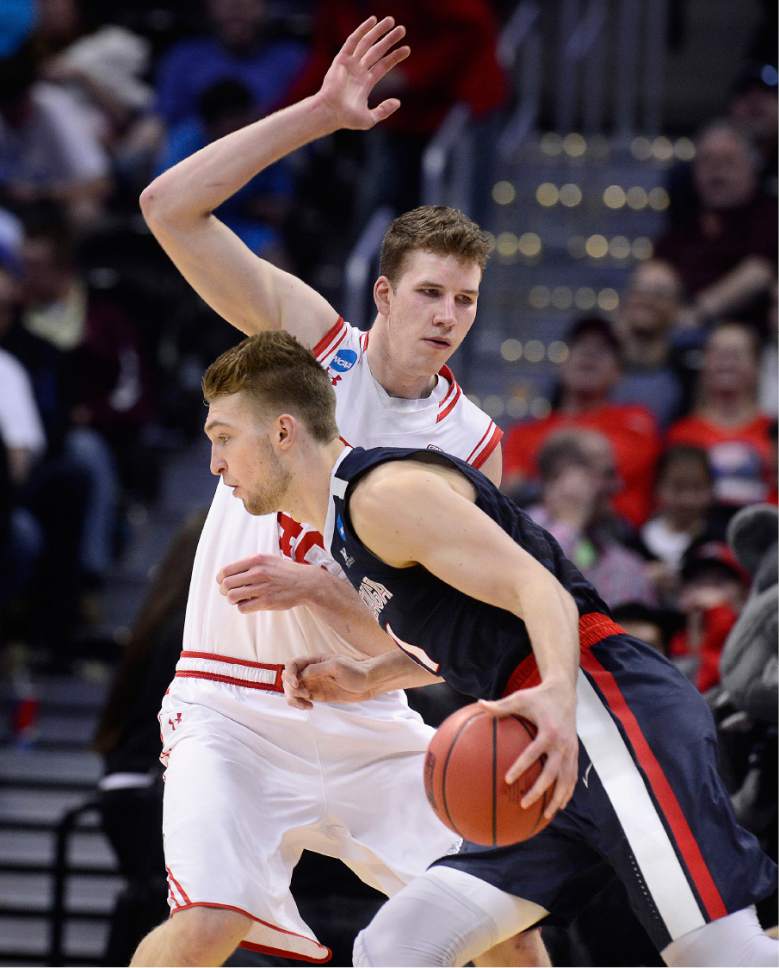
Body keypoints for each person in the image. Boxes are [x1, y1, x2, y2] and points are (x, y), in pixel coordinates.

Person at [135, 17, 544, 967]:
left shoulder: (474, 443)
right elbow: (168, 207)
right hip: (233, 704)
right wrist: (318, 114)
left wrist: (373, 670)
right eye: (432, 293)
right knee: (207, 926)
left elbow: (460, 636)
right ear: (385, 294)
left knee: (506, 934)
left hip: (364, 722)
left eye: (467, 298)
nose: (449, 316)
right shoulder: (314, 351)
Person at [202, 329, 778, 967]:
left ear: (283, 432)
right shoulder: (345, 528)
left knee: (722, 956)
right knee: (398, 946)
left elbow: (544, 593)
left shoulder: (383, 496)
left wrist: (559, 703)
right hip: (534, 733)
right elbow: (475, 636)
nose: (215, 463)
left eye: (224, 437)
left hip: (602, 704)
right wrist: (368, 676)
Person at [502, 315, 662, 526]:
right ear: (562, 365)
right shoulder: (524, 433)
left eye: (603, 349)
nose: (590, 353)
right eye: (579, 346)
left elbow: (615, 473)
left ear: (618, 373)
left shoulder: (636, 422)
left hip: (615, 537)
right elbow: (513, 490)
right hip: (537, 536)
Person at [667, 321, 774, 510]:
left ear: (756, 366)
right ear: (705, 363)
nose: (726, 361)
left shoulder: (773, 432)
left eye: (736, 354)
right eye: (718, 353)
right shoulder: (681, 434)